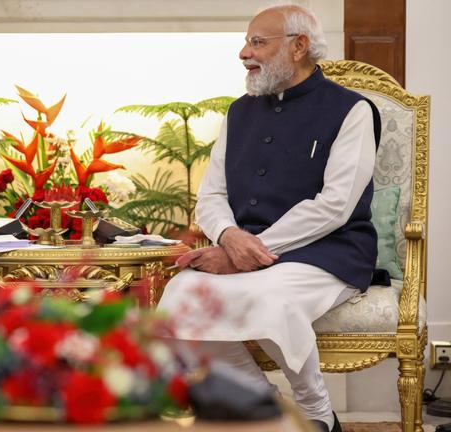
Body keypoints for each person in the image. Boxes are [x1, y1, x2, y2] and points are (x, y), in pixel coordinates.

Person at [157, 5, 381, 432]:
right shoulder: (239, 112)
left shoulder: (353, 110)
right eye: (246, 42)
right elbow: (212, 195)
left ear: (299, 46)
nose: (244, 52)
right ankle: (267, 408)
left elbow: (335, 205)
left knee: (270, 299)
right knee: (181, 297)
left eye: (258, 42)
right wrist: (227, 236)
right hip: (242, 248)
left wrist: (248, 251)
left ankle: (317, 415)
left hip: (328, 251)